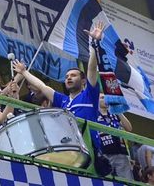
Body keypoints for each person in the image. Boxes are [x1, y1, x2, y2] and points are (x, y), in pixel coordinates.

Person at [13, 22, 104, 164]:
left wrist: (94, 44)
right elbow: (42, 86)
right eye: (67, 76)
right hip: (69, 151)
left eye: (73, 75)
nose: (69, 78)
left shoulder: (89, 95)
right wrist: (24, 72)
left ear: (83, 81)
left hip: (90, 149)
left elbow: (91, 69)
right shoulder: (62, 100)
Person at [97, 93, 133, 180]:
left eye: (107, 98)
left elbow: (129, 128)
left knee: (126, 180)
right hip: (103, 153)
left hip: (120, 152)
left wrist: (118, 111)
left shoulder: (115, 114)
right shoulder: (93, 113)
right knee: (104, 180)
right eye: (102, 98)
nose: (106, 100)